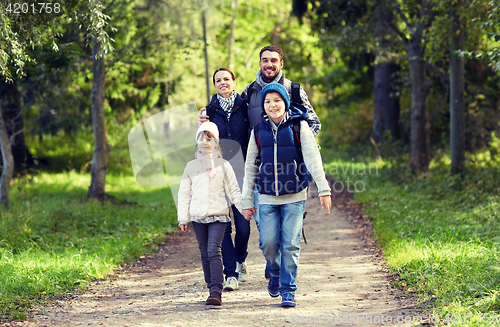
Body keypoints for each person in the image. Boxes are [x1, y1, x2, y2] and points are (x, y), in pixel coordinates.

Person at [198, 46, 322, 279]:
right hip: (256, 171)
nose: (269, 64)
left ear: (281, 64)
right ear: (260, 63)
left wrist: (296, 146)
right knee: (264, 227)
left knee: (285, 224)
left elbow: (314, 123)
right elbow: (233, 115)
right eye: (265, 60)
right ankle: (267, 263)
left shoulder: (294, 90)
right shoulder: (249, 92)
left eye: (273, 60)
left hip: (288, 172)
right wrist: (202, 121)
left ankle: (281, 276)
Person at [241, 83, 331, 308]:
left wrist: (324, 189)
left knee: (290, 244)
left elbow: (312, 159)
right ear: (263, 105)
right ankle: (274, 270)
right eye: (268, 101)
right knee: (268, 243)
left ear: (285, 102)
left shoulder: (299, 126)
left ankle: (288, 290)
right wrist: (246, 200)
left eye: (277, 100)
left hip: (295, 195)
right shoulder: (257, 131)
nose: (273, 105)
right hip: (267, 197)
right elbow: (250, 167)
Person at [177, 122, 243, 306]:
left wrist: (243, 208)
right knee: (204, 252)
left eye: (209, 138)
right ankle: (210, 287)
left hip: (218, 215)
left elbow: (234, 191)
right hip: (198, 217)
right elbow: (184, 194)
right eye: (201, 138)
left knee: (214, 250)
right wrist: (183, 218)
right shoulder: (191, 166)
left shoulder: (223, 165)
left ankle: (216, 290)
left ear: (216, 142)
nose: (205, 142)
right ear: (196, 141)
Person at [199, 68, 251, 291]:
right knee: (223, 224)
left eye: (226, 79)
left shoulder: (246, 106)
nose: (223, 83)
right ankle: (231, 274)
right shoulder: (208, 111)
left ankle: (241, 260)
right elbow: (203, 141)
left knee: (244, 226)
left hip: (242, 174)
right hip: (217, 175)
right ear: (214, 85)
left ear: (234, 81)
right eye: (218, 80)